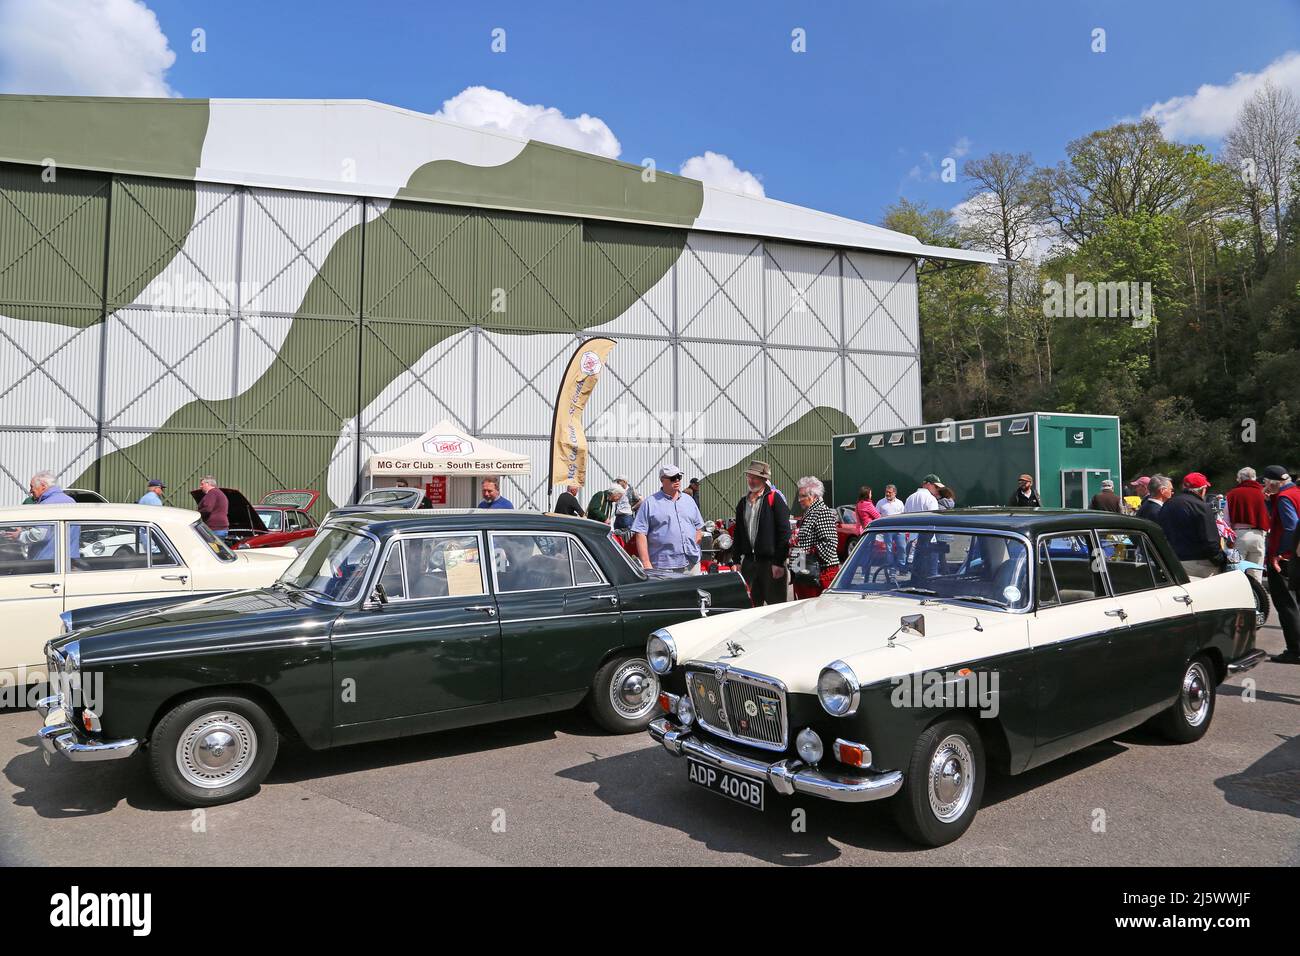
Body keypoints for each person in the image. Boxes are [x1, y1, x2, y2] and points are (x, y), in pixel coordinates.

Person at [730, 460, 791, 604]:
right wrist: (736, 560)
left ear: (764, 480)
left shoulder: (775, 499)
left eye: (755, 477)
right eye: (749, 477)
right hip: (749, 564)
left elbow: (784, 533)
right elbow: (738, 533)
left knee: (776, 611)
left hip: (771, 564)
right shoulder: (743, 503)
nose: (751, 480)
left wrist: (778, 562)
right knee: (750, 608)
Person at [632, 464, 705, 574]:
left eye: (679, 477)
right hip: (664, 566)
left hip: (692, 563)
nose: (677, 480)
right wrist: (646, 563)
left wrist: (695, 547)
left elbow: (698, 527)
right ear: (662, 480)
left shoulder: (689, 500)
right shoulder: (650, 503)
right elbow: (640, 533)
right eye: (672, 478)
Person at [1262, 465, 1300, 664]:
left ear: (1273, 481)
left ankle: (1295, 649)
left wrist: (1281, 554)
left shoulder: (1285, 498)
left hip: (1285, 559)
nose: (1264, 485)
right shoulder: (1294, 493)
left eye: (1266, 482)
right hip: (1294, 557)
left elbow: (1292, 527)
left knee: (1287, 605)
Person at [1154, 472, 1220, 578]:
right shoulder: (1202, 507)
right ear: (1202, 490)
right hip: (1199, 563)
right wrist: (1220, 559)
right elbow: (1210, 540)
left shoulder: (1167, 504)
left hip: (1173, 562)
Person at [4, 472, 74, 559]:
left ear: (43, 486)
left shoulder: (47, 504)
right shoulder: (71, 501)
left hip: (49, 562)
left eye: (31, 486)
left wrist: (19, 535)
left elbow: (39, 535)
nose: (30, 490)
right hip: (70, 560)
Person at [793, 477, 840, 599]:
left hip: (820, 574)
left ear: (814, 496)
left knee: (816, 612)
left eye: (803, 496)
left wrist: (808, 552)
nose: (799, 500)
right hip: (807, 570)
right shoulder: (811, 512)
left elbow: (830, 543)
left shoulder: (822, 512)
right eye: (800, 496)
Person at [1226, 467, 1268, 584]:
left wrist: (1228, 540)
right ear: (1254, 478)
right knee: (1256, 574)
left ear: (1240, 479)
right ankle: (1258, 599)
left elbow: (1226, 519)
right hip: (1259, 535)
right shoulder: (1263, 493)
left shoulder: (1232, 494)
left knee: (1237, 573)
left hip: (1239, 535)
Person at [875, 484, 906, 570]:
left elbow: (903, 516)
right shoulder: (880, 503)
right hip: (887, 530)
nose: (887, 494)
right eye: (886, 492)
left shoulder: (900, 503)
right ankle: (890, 567)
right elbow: (877, 516)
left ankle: (902, 567)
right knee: (889, 549)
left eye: (890, 492)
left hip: (899, 529)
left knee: (902, 547)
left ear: (895, 493)